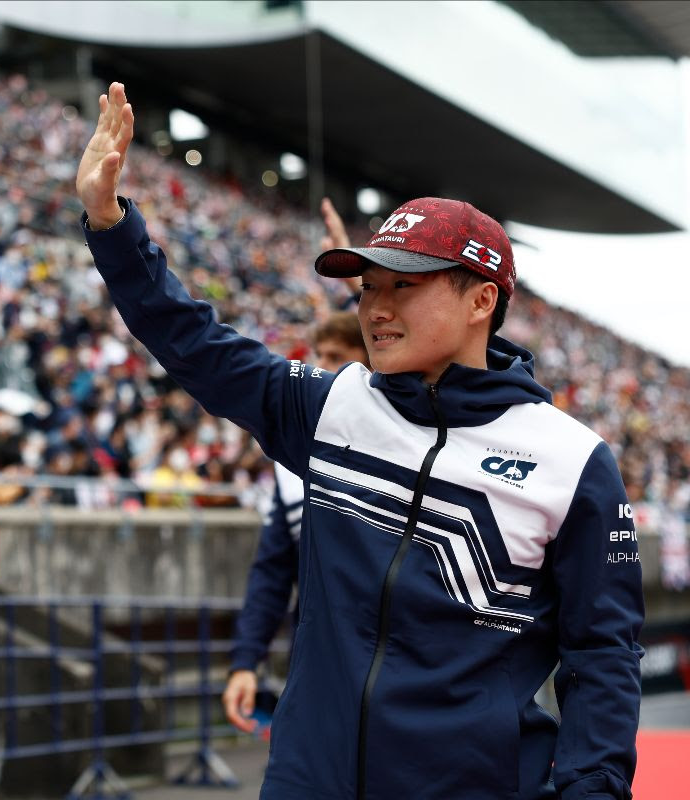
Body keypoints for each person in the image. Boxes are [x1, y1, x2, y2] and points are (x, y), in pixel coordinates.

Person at [76, 83, 642, 800]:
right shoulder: (331, 407)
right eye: (369, 287)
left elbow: (602, 655)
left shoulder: (572, 461)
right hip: (307, 780)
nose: (376, 306)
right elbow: (196, 343)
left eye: (403, 287)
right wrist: (109, 222)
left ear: (481, 300)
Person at [224, 309, 371, 735]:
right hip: (316, 668)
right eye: (319, 356)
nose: (321, 368)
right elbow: (272, 571)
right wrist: (246, 660)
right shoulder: (291, 465)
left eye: (336, 357)